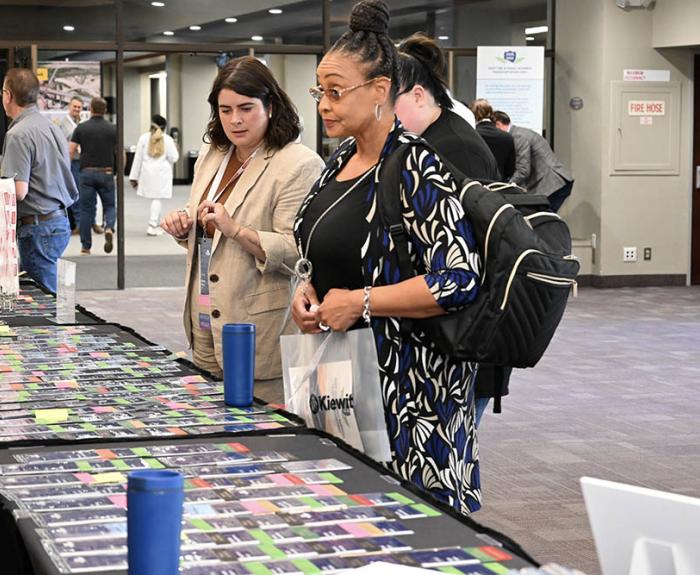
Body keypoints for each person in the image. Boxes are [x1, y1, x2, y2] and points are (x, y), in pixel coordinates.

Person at [291, 0, 482, 514]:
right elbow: (321, 247)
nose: (323, 105)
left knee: (412, 533)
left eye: (335, 92)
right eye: (319, 92)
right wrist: (305, 292)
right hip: (343, 376)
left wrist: (361, 302)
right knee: (346, 522)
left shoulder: (416, 165)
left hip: (411, 392)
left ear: (380, 92)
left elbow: (459, 279)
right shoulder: (339, 161)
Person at [160, 56, 323, 399]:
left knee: (259, 431)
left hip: (256, 325)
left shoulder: (298, 164)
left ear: (271, 106)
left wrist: (235, 229)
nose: (235, 120)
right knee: (207, 425)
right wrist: (182, 226)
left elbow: (298, 253)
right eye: (225, 109)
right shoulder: (214, 154)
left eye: (246, 108)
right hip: (203, 313)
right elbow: (203, 225)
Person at [395, 34, 508, 427]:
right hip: (437, 334)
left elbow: (467, 259)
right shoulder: (421, 142)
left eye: (388, 102)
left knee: (449, 457)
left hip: (463, 337)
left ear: (420, 95)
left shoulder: (456, 147)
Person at [0, 68, 78, 292]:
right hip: (58, 221)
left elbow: (18, 191)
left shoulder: (18, 134)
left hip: (38, 228)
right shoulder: (51, 127)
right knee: (47, 294)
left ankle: (66, 326)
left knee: (49, 302)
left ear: (9, 95)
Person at [395, 32, 499, 181]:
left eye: (390, 101)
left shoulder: (459, 151)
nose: (382, 113)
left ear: (418, 96)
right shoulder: (423, 138)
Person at [493, 110, 574, 212]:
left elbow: (523, 170)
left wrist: (506, 186)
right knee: (542, 221)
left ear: (498, 124)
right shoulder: (520, 132)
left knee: (543, 222)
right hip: (555, 182)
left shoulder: (517, 136)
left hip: (553, 184)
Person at [70, 97, 117, 255]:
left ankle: (85, 247)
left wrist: (67, 169)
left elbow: (71, 150)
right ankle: (109, 227)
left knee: (86, 210)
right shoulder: (113, 128)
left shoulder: (81, 128)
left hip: (87, 173)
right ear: (105, 110)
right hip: (107, 172)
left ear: (90, 109)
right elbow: (121, 154)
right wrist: (117, 171)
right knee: (109, 206)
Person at [129, 114, 179, 236]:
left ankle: (156, 224)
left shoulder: (143, 138)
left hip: (147, 174)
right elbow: (174, 158)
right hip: (162, 175)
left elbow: (138, 158)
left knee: (156, 199)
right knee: (157, 199)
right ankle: (152, 225)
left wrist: (133, 176)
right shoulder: (167, 139)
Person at [471, 98, 515, 181]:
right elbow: (510, 170)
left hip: (476, 184)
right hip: (498, 184)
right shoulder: (507, 137)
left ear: (473, 114)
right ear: (491, 113)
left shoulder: (470, 135)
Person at [58, 96, 83, 234]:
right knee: (74, 191)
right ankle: (75, 224)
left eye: (79, 107)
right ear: (69, 106)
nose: (77, 109)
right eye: (75, 106)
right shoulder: (63, 124)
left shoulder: (82, 122)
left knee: (82, 193)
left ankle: (83, 223)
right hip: (70, 162)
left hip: (82, 161)